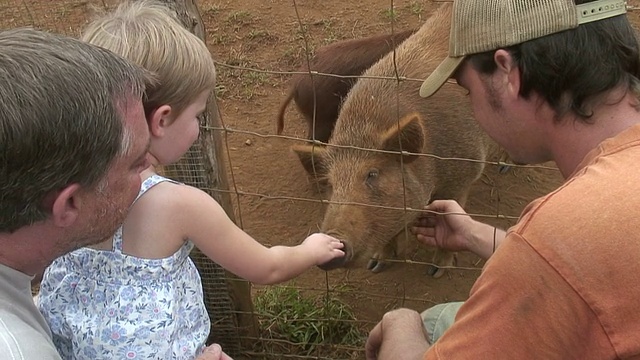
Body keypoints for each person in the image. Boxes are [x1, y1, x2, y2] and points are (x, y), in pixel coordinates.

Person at [36, 2, 345, 360]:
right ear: (162, 120)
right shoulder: (180, 206)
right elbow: (267, 266)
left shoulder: (61, 186)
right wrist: (310, 249)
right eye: (198, 114)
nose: (200, 127)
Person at [365, 0, 640, 358]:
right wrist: (481, 236)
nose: (472, 108)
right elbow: (588, 268)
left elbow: (559, 257)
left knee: (431, 324)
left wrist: (399, 323)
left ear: (507, 73)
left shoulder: (554, 234)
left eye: (467, 91)